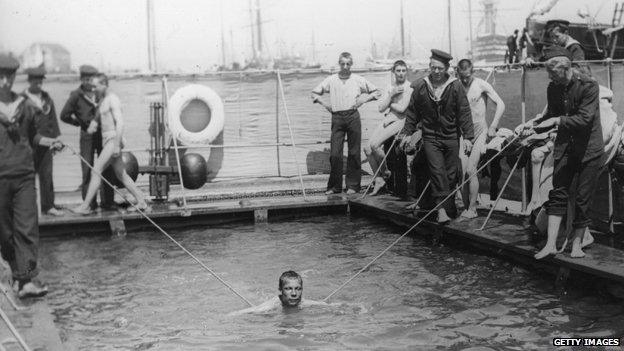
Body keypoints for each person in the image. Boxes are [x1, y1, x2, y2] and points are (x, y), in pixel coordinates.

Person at [521, 47, 604, 259]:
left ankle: (576, 245)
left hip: (589, 150)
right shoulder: (553, 88)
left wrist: (557, 121)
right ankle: (550, 245)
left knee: (582, 200)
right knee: (558, 194)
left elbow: (585, 120)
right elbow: (552, 113)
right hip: (565, 147)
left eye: (552, 72)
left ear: (565, 69)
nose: (549, 77)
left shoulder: (589, 86)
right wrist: (534, 125)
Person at [0, 55, 58, 298]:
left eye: (9, 77)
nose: (5, 82)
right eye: (1, 77)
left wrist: (50, 142)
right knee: (4, 231)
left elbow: (33, 136)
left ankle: (26, 281)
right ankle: (14, 270)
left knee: (26, 227)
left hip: (24, 174)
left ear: (14, 78)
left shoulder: (24, 105)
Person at [399, 49, 474, 223]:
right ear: (429, 66)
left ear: (447, 68)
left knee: (451, 173)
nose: (437, 72)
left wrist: (469, 137)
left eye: (440, 68)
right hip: (431, 137)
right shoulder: (420, 86)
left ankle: (447, 207)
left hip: (451, 137)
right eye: (433, 68)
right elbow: (412, 113)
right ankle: (441, 211)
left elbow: (464, 112)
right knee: (437, 171)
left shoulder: (455, 86)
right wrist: (406, 133)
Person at [72, 74, 149, 214]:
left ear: (105, 85)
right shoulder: (103, 100)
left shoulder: (113, 99)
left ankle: (85, 206)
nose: (93, 89)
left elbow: (120, 123)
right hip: (109, 139)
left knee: (96, 170)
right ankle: (141, 201)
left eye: (96, 86)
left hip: (113, 139)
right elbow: (96, 123)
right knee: (121, 175)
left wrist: (117, 145)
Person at [312, 52, 380, 195]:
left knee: (354, 152)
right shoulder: (331, 79)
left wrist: (363, 100)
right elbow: (315, 93)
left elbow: (377, 92)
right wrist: (326, 104)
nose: (345, 66)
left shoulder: (357, 79)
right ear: (339, 64)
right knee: (335, 154)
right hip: (337, 117)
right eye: (342, 63)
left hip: (352, 116)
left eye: (348, 64)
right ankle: (334, 187)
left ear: (351, 64)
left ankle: (353, 186)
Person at [60, 65, 115, 211]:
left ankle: (108, 202)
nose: (89, 82)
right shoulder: (76, 95)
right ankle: (89, 204)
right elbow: (64, 115)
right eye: (86, 79)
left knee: (106, 168)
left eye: (91, 79)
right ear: (81, 79)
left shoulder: (99, 92)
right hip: (87, 136)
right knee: (87, 168)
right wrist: (79, 123)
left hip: (102, 134)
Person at [456, 59, 506, 219]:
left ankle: (473, 208)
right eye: (462, 77)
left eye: (468, 77)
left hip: (480, 132)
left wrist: (494, 125)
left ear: (473, 72)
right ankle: (466, 208)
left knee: (471, 170)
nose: (465, 80)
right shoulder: (455, 86)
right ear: (458, 73)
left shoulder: (481, 85)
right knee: (462, 172)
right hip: (464, 135)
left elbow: (501, 104)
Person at [364, 60, 412, 195]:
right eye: (398, 71)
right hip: (389, 117)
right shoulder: (389, 86)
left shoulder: (410, 87)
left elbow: (402, 109)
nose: (401, 73)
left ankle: (385, 172)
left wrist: (389, 101)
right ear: (393, 72)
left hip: (401, 120)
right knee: (367, 149)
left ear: (406, 72)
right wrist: (391, 95)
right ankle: (379, 178)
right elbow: (380, 108)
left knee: (375, 145)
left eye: (403, 71)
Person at [21, 67, 64, 216]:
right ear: (29, 81)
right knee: (28, 177)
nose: (39, 84)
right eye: (36, 81)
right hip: (28, 146)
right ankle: (27, 207)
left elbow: (53, 120)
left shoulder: (47, 98)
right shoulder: (22, 99)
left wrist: (57, 138)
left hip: (47, 144)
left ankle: (48, 205)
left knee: (47, 174)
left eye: (41, 81)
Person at [229, 271, 328, 315]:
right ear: (280, 289)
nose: (294, 293)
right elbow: (252, 310)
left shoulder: (303, 302)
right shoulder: (273, 304)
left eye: (298, 288)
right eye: (288, 289)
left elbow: (325, 305)